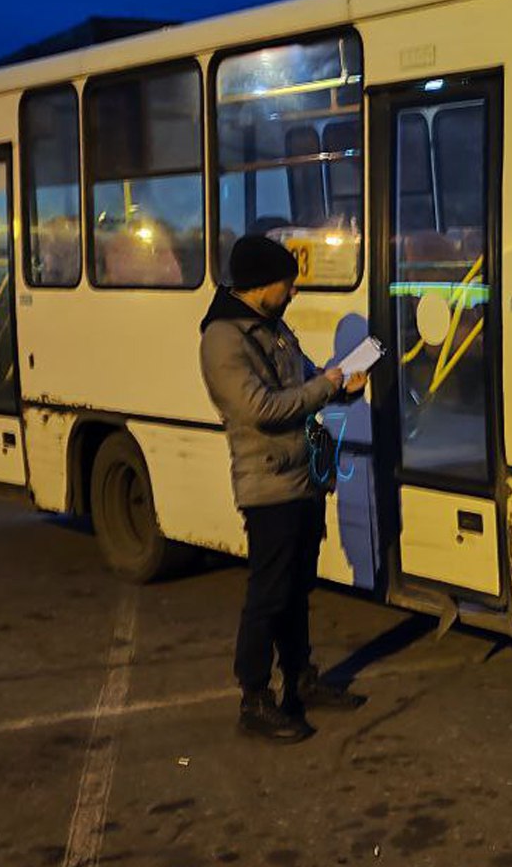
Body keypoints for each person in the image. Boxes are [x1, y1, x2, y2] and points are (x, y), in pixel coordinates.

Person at [199, 235, 369, 743]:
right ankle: (254, 699)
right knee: (269, 595)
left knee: (297, 590)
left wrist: (339, 379)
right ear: (260, 286)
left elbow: (303, 375)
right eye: (287, 284)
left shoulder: (271, 326)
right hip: (268, 484)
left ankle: (300, 679)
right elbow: (262, 408)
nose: (293, 293)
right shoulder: (224, 340)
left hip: (302, 478)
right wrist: (329, 384)